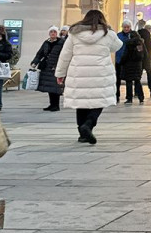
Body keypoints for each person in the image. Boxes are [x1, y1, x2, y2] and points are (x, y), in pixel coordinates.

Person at [55, 9, 122, 144]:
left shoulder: (74, 34)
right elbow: (117, 46)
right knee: (99, 101)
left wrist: (60, 73)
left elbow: (65, 55)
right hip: (101, 73)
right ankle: (89, 124)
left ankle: (82, 133)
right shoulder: (108, 33)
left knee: (81, 103)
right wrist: (110, 30)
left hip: (79, 73)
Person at [31, 26, 64, 112]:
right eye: (51, 32)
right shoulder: (46, 42)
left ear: (57, 33)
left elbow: (64, 55)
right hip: (46, 66)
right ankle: (51, 104)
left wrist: (60, 65)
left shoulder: (61, 42)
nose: (53, 33)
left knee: (55, 87)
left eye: (54, 32)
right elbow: (40, 53)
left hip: (56, 67)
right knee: (49, 87)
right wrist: (35, 62)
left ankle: (56, 105)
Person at [119, 29, 146, 104]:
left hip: (129, 65)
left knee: (129, 82)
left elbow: (125, 54)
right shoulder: (140, 43)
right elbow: (142, 54)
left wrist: (121, 62)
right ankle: (141, 97)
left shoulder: (128, 43)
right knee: (137, 81)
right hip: (138, 65)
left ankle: (129, 98)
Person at [136, 21, 151, 97]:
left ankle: (136, 91)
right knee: (149, 73)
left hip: (139, 57)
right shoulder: (146, 34)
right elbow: (150, 44)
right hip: (146, 57)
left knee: (138, 75)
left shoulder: (138, 33)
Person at [115, 21, 132, 101]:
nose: (126, 29)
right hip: (119, 59)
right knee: (117, 78)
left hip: (128, 60)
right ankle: (116, 95)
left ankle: (129, 97)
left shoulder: (132, 35)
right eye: (125, 27)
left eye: (128, 27)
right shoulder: (118, 35)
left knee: (129, 79)